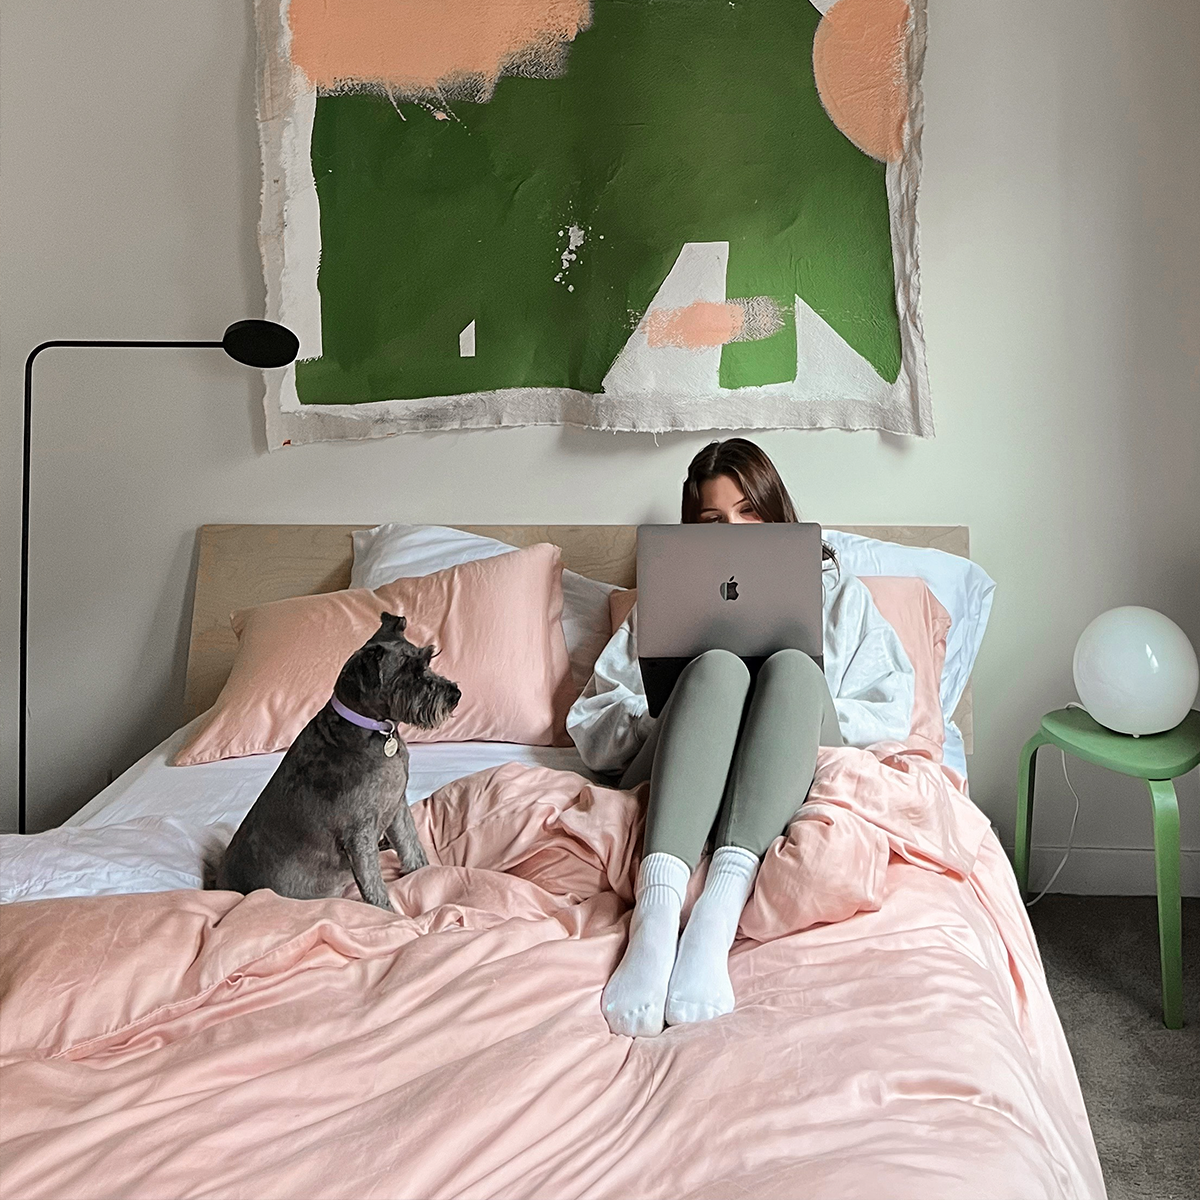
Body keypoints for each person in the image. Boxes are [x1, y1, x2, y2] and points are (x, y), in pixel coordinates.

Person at [567, 439, 914, 1037]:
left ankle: (715, 918)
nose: (735, 528)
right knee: (719, 667)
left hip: (791, 758)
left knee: (796, 670)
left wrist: (775, 715)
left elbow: (886, 710)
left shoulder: (838, 595)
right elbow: (595, 725)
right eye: (714, 519)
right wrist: (683, 710)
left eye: (749, 510)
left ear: (775, 511)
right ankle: (653, 927)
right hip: (675, 765)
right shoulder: (666, 601)